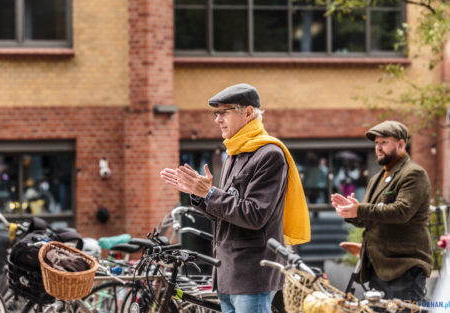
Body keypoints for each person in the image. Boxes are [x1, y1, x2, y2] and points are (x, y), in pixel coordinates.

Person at [160, 83, 310, 313]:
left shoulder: (269, 154)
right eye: (216, 113)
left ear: (248, 112)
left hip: (252, 276)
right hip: (227, 273)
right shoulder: (233, 154)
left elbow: (254, 215)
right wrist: (199, 195)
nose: (217, 119)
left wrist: (208, 193)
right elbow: (227, 213)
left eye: (224, 112)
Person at [331, 120, 432, 302]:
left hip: (403, 267)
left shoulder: (414, 173)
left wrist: (360, 209)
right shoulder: (377, 178)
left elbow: (402, 211)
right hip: (379, 268)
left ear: (401, 144)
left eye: (384, 142)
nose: (378, 148)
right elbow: (368, 218)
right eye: (376, 143)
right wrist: (350, 211)